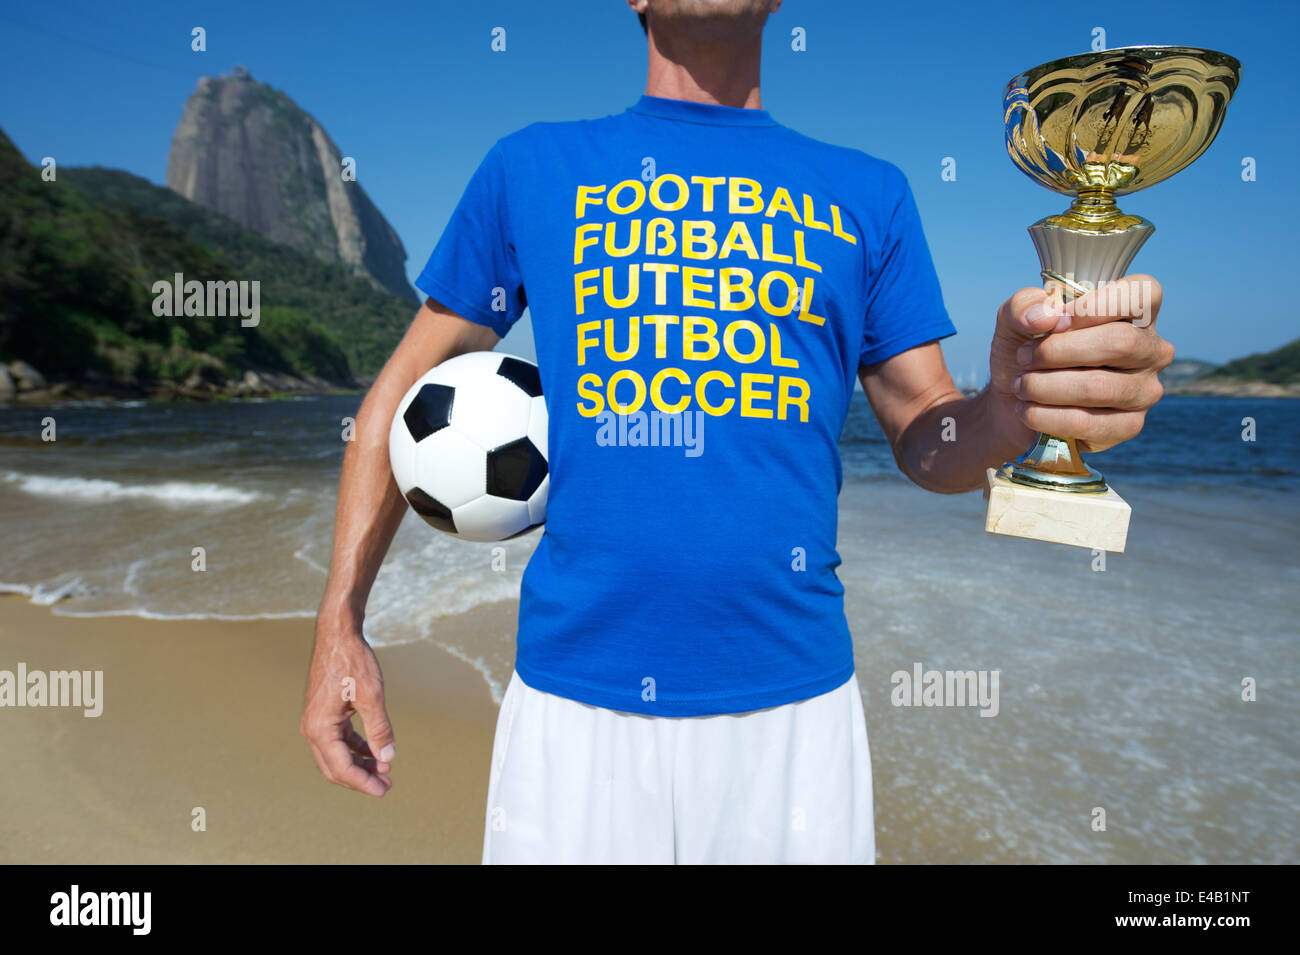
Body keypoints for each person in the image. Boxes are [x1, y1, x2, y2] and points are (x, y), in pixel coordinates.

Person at [299, 0, 1173, 864]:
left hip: (794, 710)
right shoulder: (529, 167)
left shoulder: (869, 191)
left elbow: (925, 433)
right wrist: (339, 620)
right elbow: (405, 389)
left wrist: (1011, 411)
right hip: (574, 702)